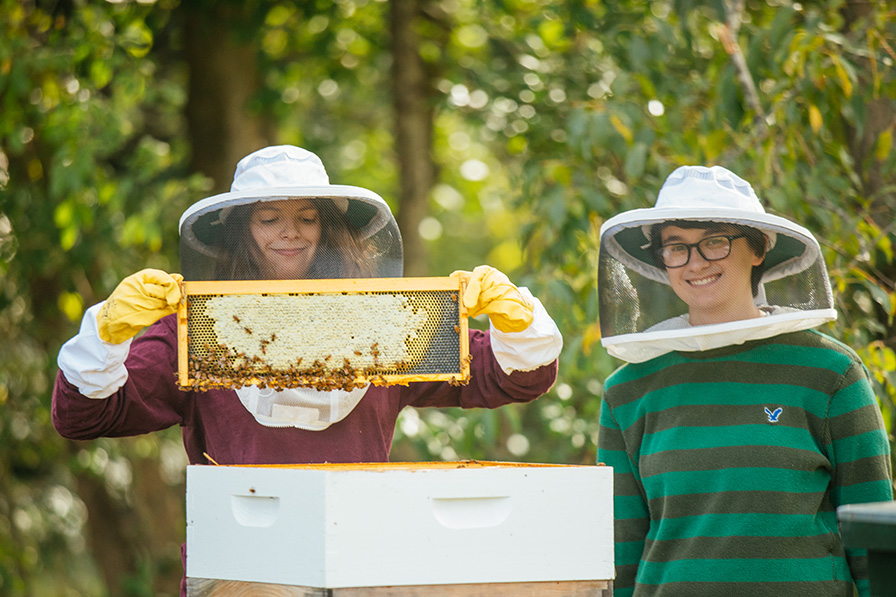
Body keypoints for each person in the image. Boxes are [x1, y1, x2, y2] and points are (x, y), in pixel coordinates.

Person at [52, 145, 563, 592]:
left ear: (330, 227)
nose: (289, 232)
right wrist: (106, 334)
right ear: (241, 233)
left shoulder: (385, 324)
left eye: (307, 217)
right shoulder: (197, 331)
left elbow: (513, 377)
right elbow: (83, 417)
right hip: (238, 572)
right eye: (269, 218)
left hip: (360, 561)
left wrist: (512, 315)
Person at [595, 165, 893, 596]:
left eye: (714, 242)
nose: (694, 263)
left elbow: (874, 534)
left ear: (758, 249)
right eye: (676, 247)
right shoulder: (627, 391)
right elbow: (619, 550)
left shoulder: (831, 373)